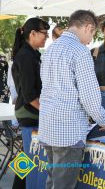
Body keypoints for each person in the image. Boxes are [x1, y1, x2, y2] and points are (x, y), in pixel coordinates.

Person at [38, 10, 105, 189]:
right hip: (68, 130)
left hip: (48, 126)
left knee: (52, 182)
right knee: (63, 185)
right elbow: (89, 97)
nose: (90, 40)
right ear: (88, 27)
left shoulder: (50, 49)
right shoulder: (80, 52)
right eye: (93, 34)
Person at [11, 17, 50, 189]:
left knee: (26, 157)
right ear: (32, 33)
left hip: (27, 111)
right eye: (44, 33)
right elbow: (28, 94)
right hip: (29, 113)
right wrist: (47, 112)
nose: (46, 37)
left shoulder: (32, 54)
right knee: (32, 159)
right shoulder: (26, 56)